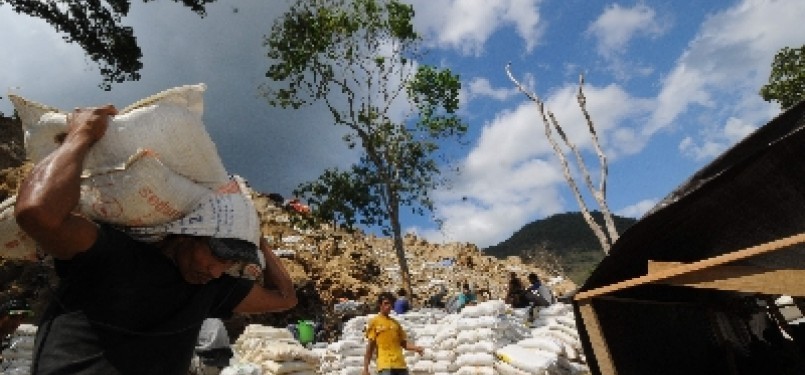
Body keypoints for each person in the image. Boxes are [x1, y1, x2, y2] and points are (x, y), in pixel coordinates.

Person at [14, 106, 298, 375]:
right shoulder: (113, 254)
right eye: (216, 254)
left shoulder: (209, 289)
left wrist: (255, 235)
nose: (215, 271)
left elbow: (285, 298)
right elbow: (37, 213)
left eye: (230, 263)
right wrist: (81, 135)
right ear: (189, 232)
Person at [363, 292, 424, 375]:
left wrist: (416, 348)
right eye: (386, 303)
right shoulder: (375, 322)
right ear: (380, 305)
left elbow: (403, 343)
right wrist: (366, 368)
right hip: (385, 366)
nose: (389, 306)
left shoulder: (395, 323)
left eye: (390, 304)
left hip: (400, 365)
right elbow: (370, 346)